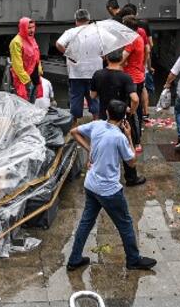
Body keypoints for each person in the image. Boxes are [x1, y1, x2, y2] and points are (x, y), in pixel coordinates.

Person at [65, 98, 157, 272]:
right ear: (123, 118)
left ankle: (74, 258)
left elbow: (74, 132)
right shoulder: (118, 137)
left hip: (91, 184)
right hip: (108, 190)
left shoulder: (96, 125)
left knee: (86, 222)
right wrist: (129, 136)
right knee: (125, 223)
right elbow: (131, 162)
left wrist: (89, 148)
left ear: (107, 113)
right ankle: (133, 259)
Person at [90, 52, 145, 187]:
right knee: (126, 144)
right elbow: (135, 99)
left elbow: (92, 95)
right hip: (121, 117)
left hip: (105, 116)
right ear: (121, 59)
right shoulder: (125, 77)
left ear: (106, 59)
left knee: (104, 146)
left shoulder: (98, 74)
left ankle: (102, 175)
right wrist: (131, 111)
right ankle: (131, 178)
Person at [56, 9, 103, 120]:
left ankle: (74, 128)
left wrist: (69, 55)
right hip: (95, 73)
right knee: (95, 101)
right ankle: (96, 125)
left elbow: (58, 44)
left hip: (76, 74)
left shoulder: (71, 32)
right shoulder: (98, 32)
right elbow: (107, 47)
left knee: (75, 102)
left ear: (76, 20)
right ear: (88, 19)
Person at [120, 15, 148, 153]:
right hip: (138, 75)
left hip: (132, 79)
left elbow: (122, 59)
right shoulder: (139, 37)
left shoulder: (131, 40)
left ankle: (136, 141)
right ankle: (136, 137)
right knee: (136, 110)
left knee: (132, 111)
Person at [8, 17, 42, 102]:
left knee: (32, 101)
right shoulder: (16, 42)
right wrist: (27, 80)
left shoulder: (32, 39)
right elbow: (17, 65)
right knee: (23, 103)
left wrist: (39, 71)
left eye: (33, 27)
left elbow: (36, 57)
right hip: (23, 80)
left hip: (34, 77)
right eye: (29, 28)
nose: (32, 30)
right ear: (23, 28)